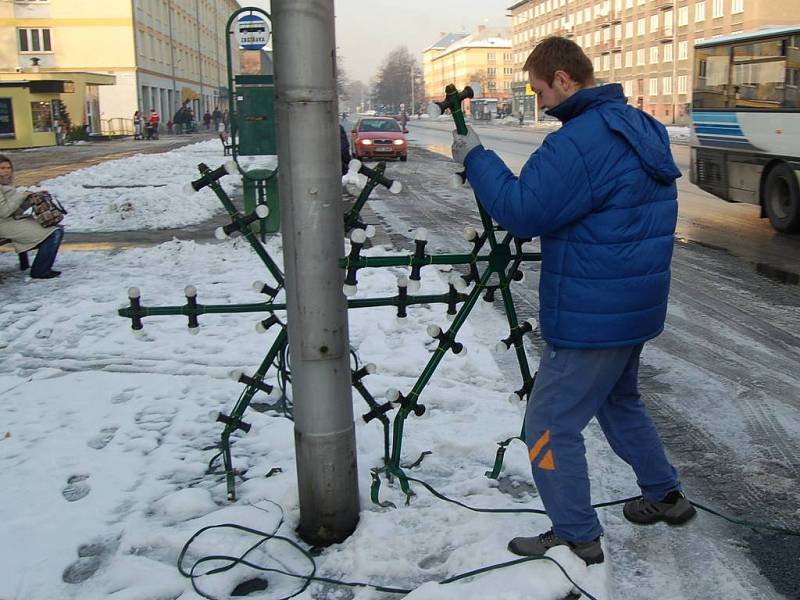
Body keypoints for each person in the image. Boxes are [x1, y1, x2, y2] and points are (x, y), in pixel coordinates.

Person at [451, 36, 694, 566]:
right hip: (634, 304)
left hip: (592, 314)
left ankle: (575, 534)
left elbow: (523, 209)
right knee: (619, 400)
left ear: (564, 79)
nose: (540, 103)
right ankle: (666, 496)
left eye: (540, 91)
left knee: (547, 427)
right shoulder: (642, 127)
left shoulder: (580, 141)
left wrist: (476, 158)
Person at [0, 155, 64, 279]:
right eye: (2, 168)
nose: (6, 171)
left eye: (8, 168)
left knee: (56, 228)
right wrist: (21, 196)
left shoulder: (6, 184)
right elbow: (3, 212)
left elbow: (14, 209)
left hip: (12, 221)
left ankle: (41, 266)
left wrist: (29, 200)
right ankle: (40, 271)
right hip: (4, 224)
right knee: (54, 233)